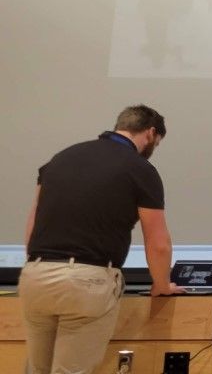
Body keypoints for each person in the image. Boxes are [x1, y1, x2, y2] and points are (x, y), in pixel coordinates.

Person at [20, 104, 185, 374]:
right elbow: (158, 242)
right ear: (150, 132)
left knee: (37, 370)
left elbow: (34, 221)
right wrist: (161, 284)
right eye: (157, 143)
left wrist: (36, 264)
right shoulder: (139, 168)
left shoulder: (60, 159)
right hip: (87, 280)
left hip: (36, 275)